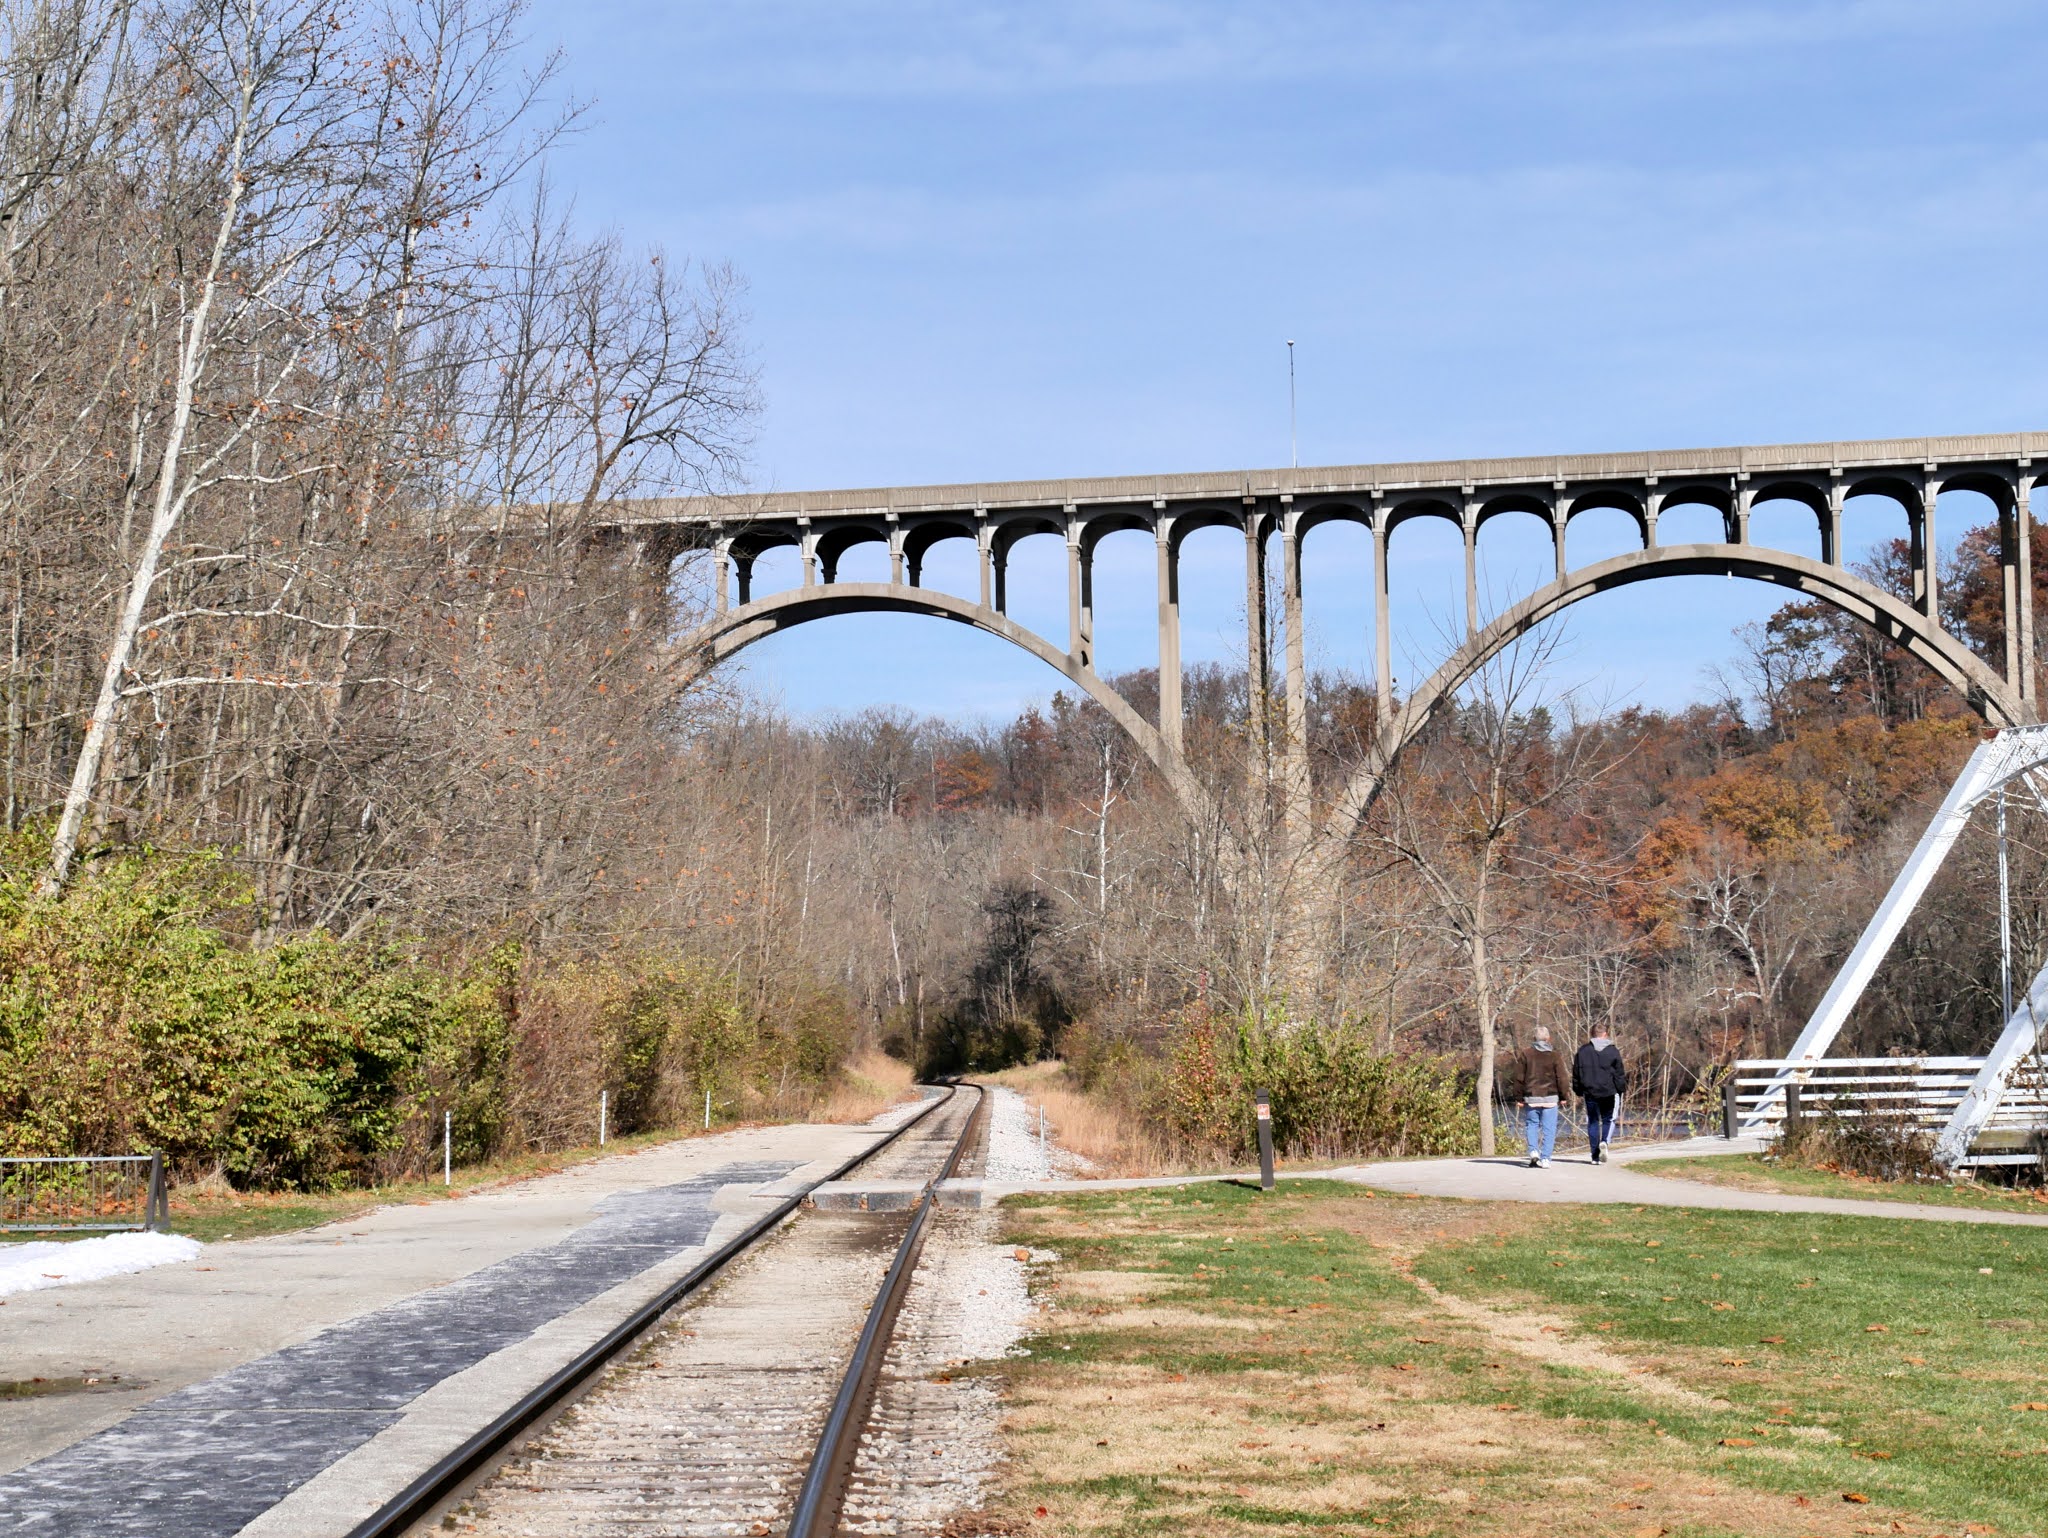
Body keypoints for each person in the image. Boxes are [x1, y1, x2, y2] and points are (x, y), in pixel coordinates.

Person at [1512, 1025, 1572, 1168]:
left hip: (1532, 1096)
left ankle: (1533, 1150)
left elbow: (1519, 1077)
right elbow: (1562, 1078)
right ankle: (1546, 1158)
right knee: (1549, 1128)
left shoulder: (1526, 1054)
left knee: (1532, 1124)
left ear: (1534, 1039)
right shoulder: (1555, 1056)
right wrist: (1564, 1096)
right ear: (1548, 1039)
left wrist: (1519, 1098)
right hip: (1551, 1097)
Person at [1573, 1027, 1627, 1164]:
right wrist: (1620, 1089)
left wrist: (1578, 1090)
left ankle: (1595, 1155)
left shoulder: (1583, 1051)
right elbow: (1619, 1073)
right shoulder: (1612, 1051)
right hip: (1609, 1091)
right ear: (1605, 1034)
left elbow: (1577, 1073)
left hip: (1590, 1092)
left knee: (1593, 1121)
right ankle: (1604, 1142)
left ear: (1592, 1034)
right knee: (1609, 1119)